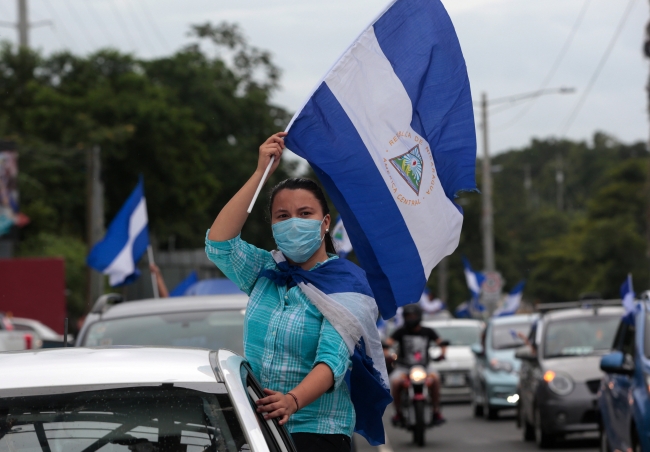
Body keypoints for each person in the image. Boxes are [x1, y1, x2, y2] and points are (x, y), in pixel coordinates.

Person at [204, 132, 367, 452]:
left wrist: (293, 400)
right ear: (273, 226)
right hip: (257, 428)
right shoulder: (264, 271)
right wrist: (259, 173)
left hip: (317, 432)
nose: (294, 223)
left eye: (305, 214)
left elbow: (331, 360)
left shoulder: (348, 285)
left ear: (325, 223)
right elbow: (219, 245)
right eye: (283, 216)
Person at [385, 303, 447, 426]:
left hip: (425, 367)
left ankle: (436, 411)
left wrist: (442, 354)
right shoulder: (400, 331)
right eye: (408, 316)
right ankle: (398, 412)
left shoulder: (428, 331)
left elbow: (442, 343)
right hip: (404, 368)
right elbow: (387, 344)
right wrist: (388, 355)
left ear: (419, 316)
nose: (411, 319)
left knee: (436, 380)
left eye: (413, 316)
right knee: (395, 382)